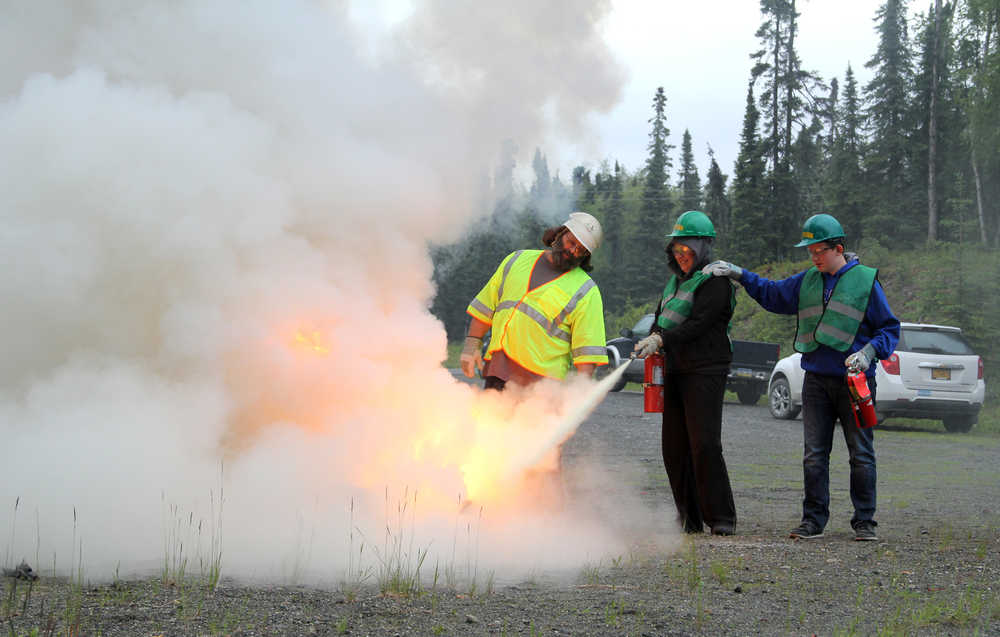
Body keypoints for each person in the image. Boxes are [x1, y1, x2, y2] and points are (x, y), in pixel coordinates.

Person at [702, 213, 899, 542]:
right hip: (817, 381)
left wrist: (867, 353)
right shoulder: (809, 279)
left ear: (838, 248)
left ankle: (865, 523)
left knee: (861, 453)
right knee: (814, 454)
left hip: (855, 383)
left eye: (819, 251)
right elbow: (773, 294)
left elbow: (888, 328)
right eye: (810, 251)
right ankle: (813, 520)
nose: (814, 257)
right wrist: (739, 274)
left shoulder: (865, 281)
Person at [632, 210, 738, 536]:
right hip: (676, 370)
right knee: (673, 448)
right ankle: (689, 519)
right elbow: (662, 318)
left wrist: (662, 338)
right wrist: (652, 336)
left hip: (706, 370)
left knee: (704, 443)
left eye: (687, 251)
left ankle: (721, 518)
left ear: (703, 247)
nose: (681, 257)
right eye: (676, 251)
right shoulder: (674, 282)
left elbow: (700, 323)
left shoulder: (716, 282)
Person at [460, 211, 609, 390]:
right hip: (498, 372)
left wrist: (575, 396)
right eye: (571, 242)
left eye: (580, 250)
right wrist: (471, 347)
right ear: (560, 233)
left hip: (542, 390)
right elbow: (485, 308)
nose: (572, 251)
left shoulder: (586, 291)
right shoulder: (517, 260)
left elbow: (587, 352)